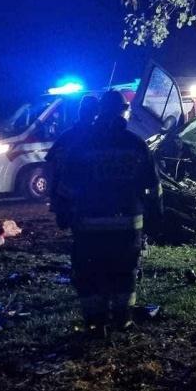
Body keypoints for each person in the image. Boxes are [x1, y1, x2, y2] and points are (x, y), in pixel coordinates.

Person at [57, 90, 162, 334]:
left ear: (99, 111)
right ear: (124, 112)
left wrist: (62, 212)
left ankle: (95, 321)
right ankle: (122, 319)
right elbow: (153, 186)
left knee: (90, 273)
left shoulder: (82, 145)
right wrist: (157, 215)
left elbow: (66, 186)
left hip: (89, 225)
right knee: (124, 272)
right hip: (127, 225)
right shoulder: (136, 144)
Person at [46, 94, 99, 228]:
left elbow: (51, 165)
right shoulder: (101, 136)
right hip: (90, 197)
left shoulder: (67, 135)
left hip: (73, 196)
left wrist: (55, 197)